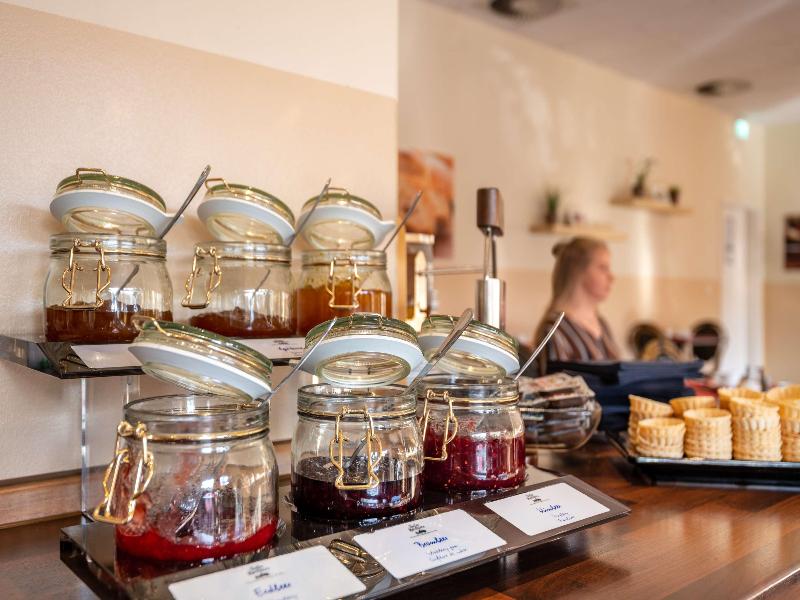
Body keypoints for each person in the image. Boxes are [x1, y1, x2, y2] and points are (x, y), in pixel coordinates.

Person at [535, 237, 620, 373]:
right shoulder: (555, 329)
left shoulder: (602, 324)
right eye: (602, 268)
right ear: (578, 270)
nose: (611, 277)